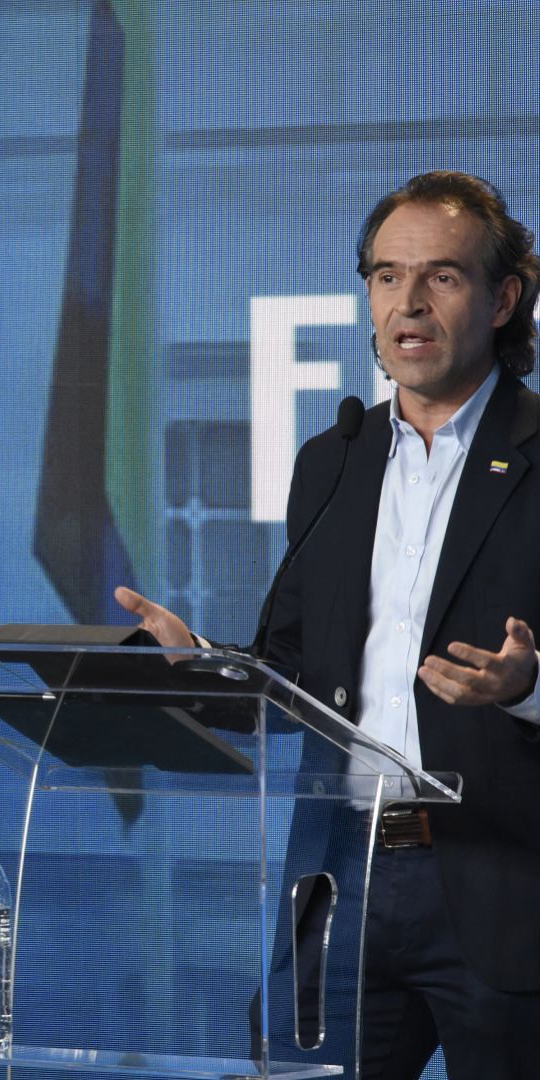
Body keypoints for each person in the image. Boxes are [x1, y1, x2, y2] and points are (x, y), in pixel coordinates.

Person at [117, 171, 540, 1079]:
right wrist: (200, 669)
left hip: (506, 883)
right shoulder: (333, 460)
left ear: (504, 298)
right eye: (387, 277)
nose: (409, 304)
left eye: (443, 277)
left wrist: (530, 687)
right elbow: (296, 669)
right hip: (337, 875)